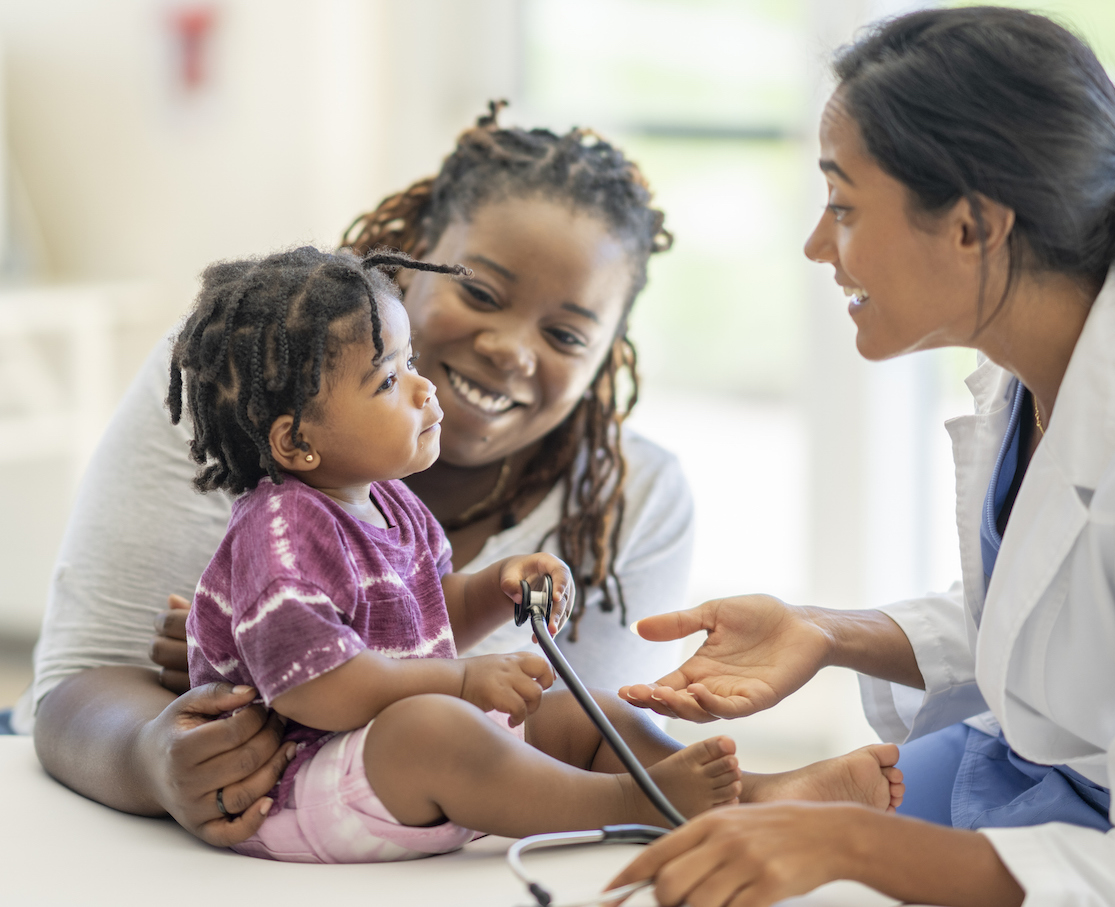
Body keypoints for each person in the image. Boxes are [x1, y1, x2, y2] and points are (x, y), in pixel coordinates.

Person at [611, 8, 1115, 907]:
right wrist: (827, 631)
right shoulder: (1033, 372)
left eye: (844, 205)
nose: (818, 245)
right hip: (1053, 776)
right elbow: (1061, 620)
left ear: (974, 227)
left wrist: (851, 839)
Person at [16, 103, 698, 848]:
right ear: (409, 259)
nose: (510, 349)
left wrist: (482, 600)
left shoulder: (624, 500)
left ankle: (760, 799)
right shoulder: (236, 390)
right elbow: (76, 682)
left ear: (611, 357)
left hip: (419, 826)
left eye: (566, 333)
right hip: (143, 813)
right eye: (479, 290)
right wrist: (151, 753)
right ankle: (662, 805)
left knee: (598, 721)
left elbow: (551, 722)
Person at [171, 247, 901, 863]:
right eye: (389, 380)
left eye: (409, 360)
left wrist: (496, 587)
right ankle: (635, 804)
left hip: (385, 767)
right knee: (437, 726)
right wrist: (460, 683)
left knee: (589, 715)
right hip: (301, 787)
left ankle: (758, 796)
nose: (423, 389)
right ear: (298, 441)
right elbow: (316, 689)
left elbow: (431, 618)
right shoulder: (280, 529)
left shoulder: (389, 502)